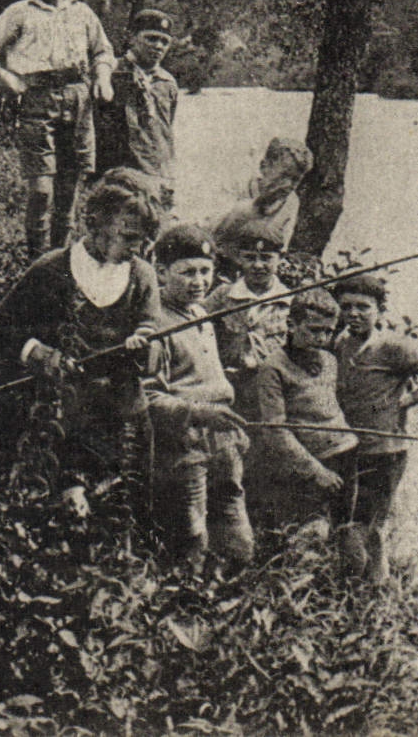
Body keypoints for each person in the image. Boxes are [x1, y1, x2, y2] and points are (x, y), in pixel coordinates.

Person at [0, 168, 162, 516]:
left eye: (144, 239)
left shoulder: (142, 276)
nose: (137, 247)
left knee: (122, 503)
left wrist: (145, 343)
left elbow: (150, 329)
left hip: (117, 412)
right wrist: (36, 353)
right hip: (57, 409)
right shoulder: (52, 269)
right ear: (94, 222)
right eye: (127, 236)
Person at [0, 0, 116, 257]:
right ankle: (36, 258)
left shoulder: (81, 11)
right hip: (37, 101)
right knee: (41, 190)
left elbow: (103, 50)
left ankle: (59, 258)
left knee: (69, 187)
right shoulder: (19, 12)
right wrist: (4, 75)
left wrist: (102, 77)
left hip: (78, 100)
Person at [333, 273, 418, 581]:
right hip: (349, 448)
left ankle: (377, 590)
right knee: (347, 523)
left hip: (385, 451)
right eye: (347, 307)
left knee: (372, 526)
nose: (354, 314)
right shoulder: (341, 343)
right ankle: (349, 586)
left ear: (380, 310)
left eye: (363, 307)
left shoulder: (393, 346)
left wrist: (409, 400)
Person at [145, 225, 252, 572]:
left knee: (235, 528)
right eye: (187, 272)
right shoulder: (155, 324)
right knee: (192, 533)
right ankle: (185, 601)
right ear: (161, 272)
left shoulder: (202, 315)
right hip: (184, 443)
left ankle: (228, 600)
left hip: (222, 439)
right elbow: (148, 397)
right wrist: (199, 414)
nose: (199, 281)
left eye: (205, 271)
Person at [240, 286, 356, 543]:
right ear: (291, 325)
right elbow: (275, 429)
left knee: (344, 531)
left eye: (328, 331)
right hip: (305, 464)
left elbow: (330, 407)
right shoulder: (273, 367)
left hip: (345, 454)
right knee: (304, 536)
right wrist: (315, 471)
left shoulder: (329, 360)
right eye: (314, 330)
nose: (322, 338)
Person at [94, 9, 178, 209]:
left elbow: (165, 128)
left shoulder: (167, 83)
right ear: (131, 38)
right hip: (120, 173)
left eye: (164, 42)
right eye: (151, 38)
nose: (158, 46)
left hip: (159, 172)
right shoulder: (112, 74)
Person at [203, 219, 291, 384]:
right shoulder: (223, 295)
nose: (258, 265)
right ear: (238, 258)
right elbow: (193, 323)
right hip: (226, 382)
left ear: (280, 258)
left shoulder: (290, 301)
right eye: (250, 258)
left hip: (272, 386)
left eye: (266, 258)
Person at [212, 136, 313, 273]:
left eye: (295, 180)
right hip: (221, 264)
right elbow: (215, 230)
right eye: (284, 175)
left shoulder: (291, 202)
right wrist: (258, 204)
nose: (288, 185)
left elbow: (281, 245)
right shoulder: (238, 186)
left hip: (259, 271)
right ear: (264, 166)